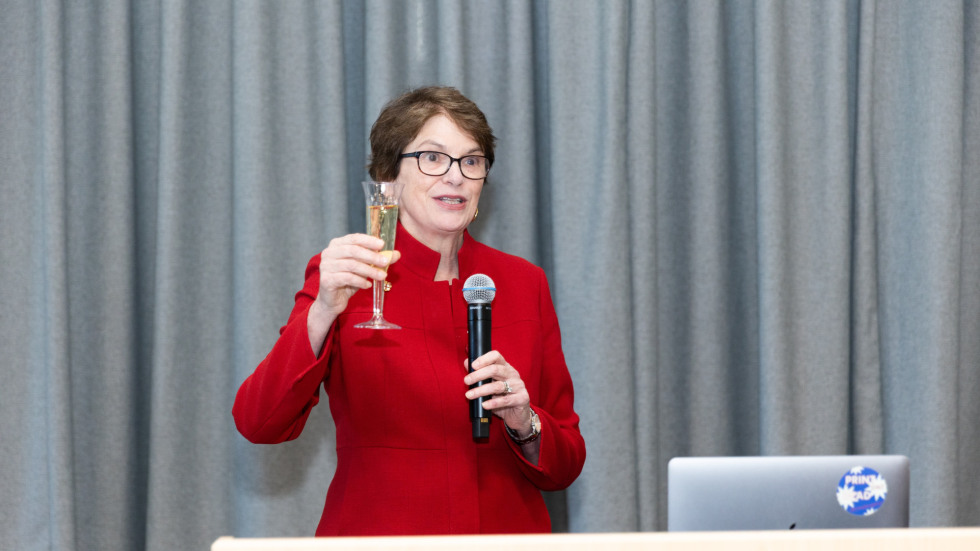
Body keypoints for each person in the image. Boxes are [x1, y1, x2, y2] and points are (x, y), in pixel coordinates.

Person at [232, 86, 586, 536]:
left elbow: (566, 463)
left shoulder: (523, 282)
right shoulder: (347, 276)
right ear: (388, 176)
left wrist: (524, 420)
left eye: (472, 161)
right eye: (433, 158)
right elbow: (259, 421)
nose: (455, 177)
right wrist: (322, 311)